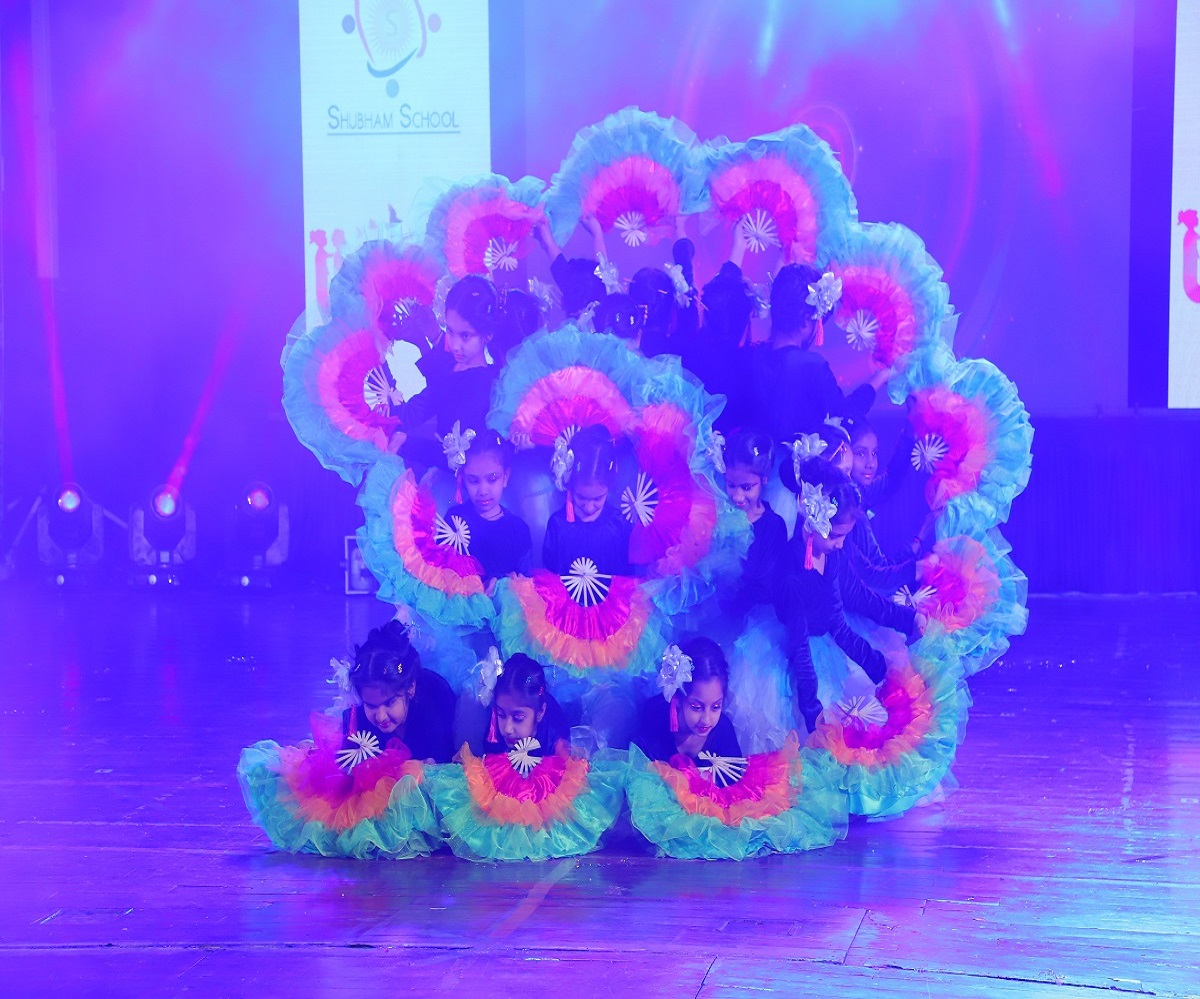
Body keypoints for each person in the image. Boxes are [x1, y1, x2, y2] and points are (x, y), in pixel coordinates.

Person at [777, 458, 920, 733]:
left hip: (827, 647)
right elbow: (800, 647)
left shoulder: (834, 555)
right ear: (811, 519)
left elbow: (854, 601)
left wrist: (906, 622)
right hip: (800, 669)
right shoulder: (792, 574)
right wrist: (812, 712)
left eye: (844, 536)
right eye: (835, 536)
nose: (840, 544)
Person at [752, 263, 888, 440]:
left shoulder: (751, 356)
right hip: (792, 458)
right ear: (806, 320)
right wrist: (880, 378)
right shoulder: (810, 366)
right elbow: (844, 415)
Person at [393, 276, 501, 461]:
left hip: (459, 477)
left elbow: (461, 458)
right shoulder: (453, 368)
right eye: (450, 331)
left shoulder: (482, 384)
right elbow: (414, 412)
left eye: (465, 336)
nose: (455, 345)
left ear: (488, 335)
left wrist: (406, 443)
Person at [341, 619, 457, 764]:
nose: (381, 717)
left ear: (410, 688)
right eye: (370, 706)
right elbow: (347, 767)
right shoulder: (356, 725)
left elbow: (446, 759)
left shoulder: (434, 704)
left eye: (389, 703)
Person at [443, 431, 532, 589]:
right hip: (459, 600)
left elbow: (525, 582)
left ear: (505, 477)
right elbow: (442, 569)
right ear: (463, 478)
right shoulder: (455, 519)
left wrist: (507, 585)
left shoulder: (518, 529)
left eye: (492, 479)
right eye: (474, 481)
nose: (483, 491)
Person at [542, 424, 632, 576]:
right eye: (581, 497)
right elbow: (549, 577)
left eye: (598, 498)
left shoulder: (620, 524)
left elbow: (626, 578)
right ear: (569, 485)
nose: (589, 507)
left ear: (609, 488)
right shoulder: (557, 524)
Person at [634, 638, 743, 764]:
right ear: (678, 698)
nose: (706, 720)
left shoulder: (723, 732)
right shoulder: (655, 719)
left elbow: (735, 774)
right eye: (696, 707)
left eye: (716, 706)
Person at [721, 429, 788, 617]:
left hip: (747, 612)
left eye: (746, 487)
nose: (737, 496)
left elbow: (763, 585)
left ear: (764, 479)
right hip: (714, 603)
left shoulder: (773, 527)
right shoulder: (718, 513)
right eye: (731, 485)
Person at [480, 653, 570, 754]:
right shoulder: (494, 734)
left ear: (540, 712)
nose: (507, 729)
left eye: (518, 718)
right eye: (501, 714)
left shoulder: (556, 744)